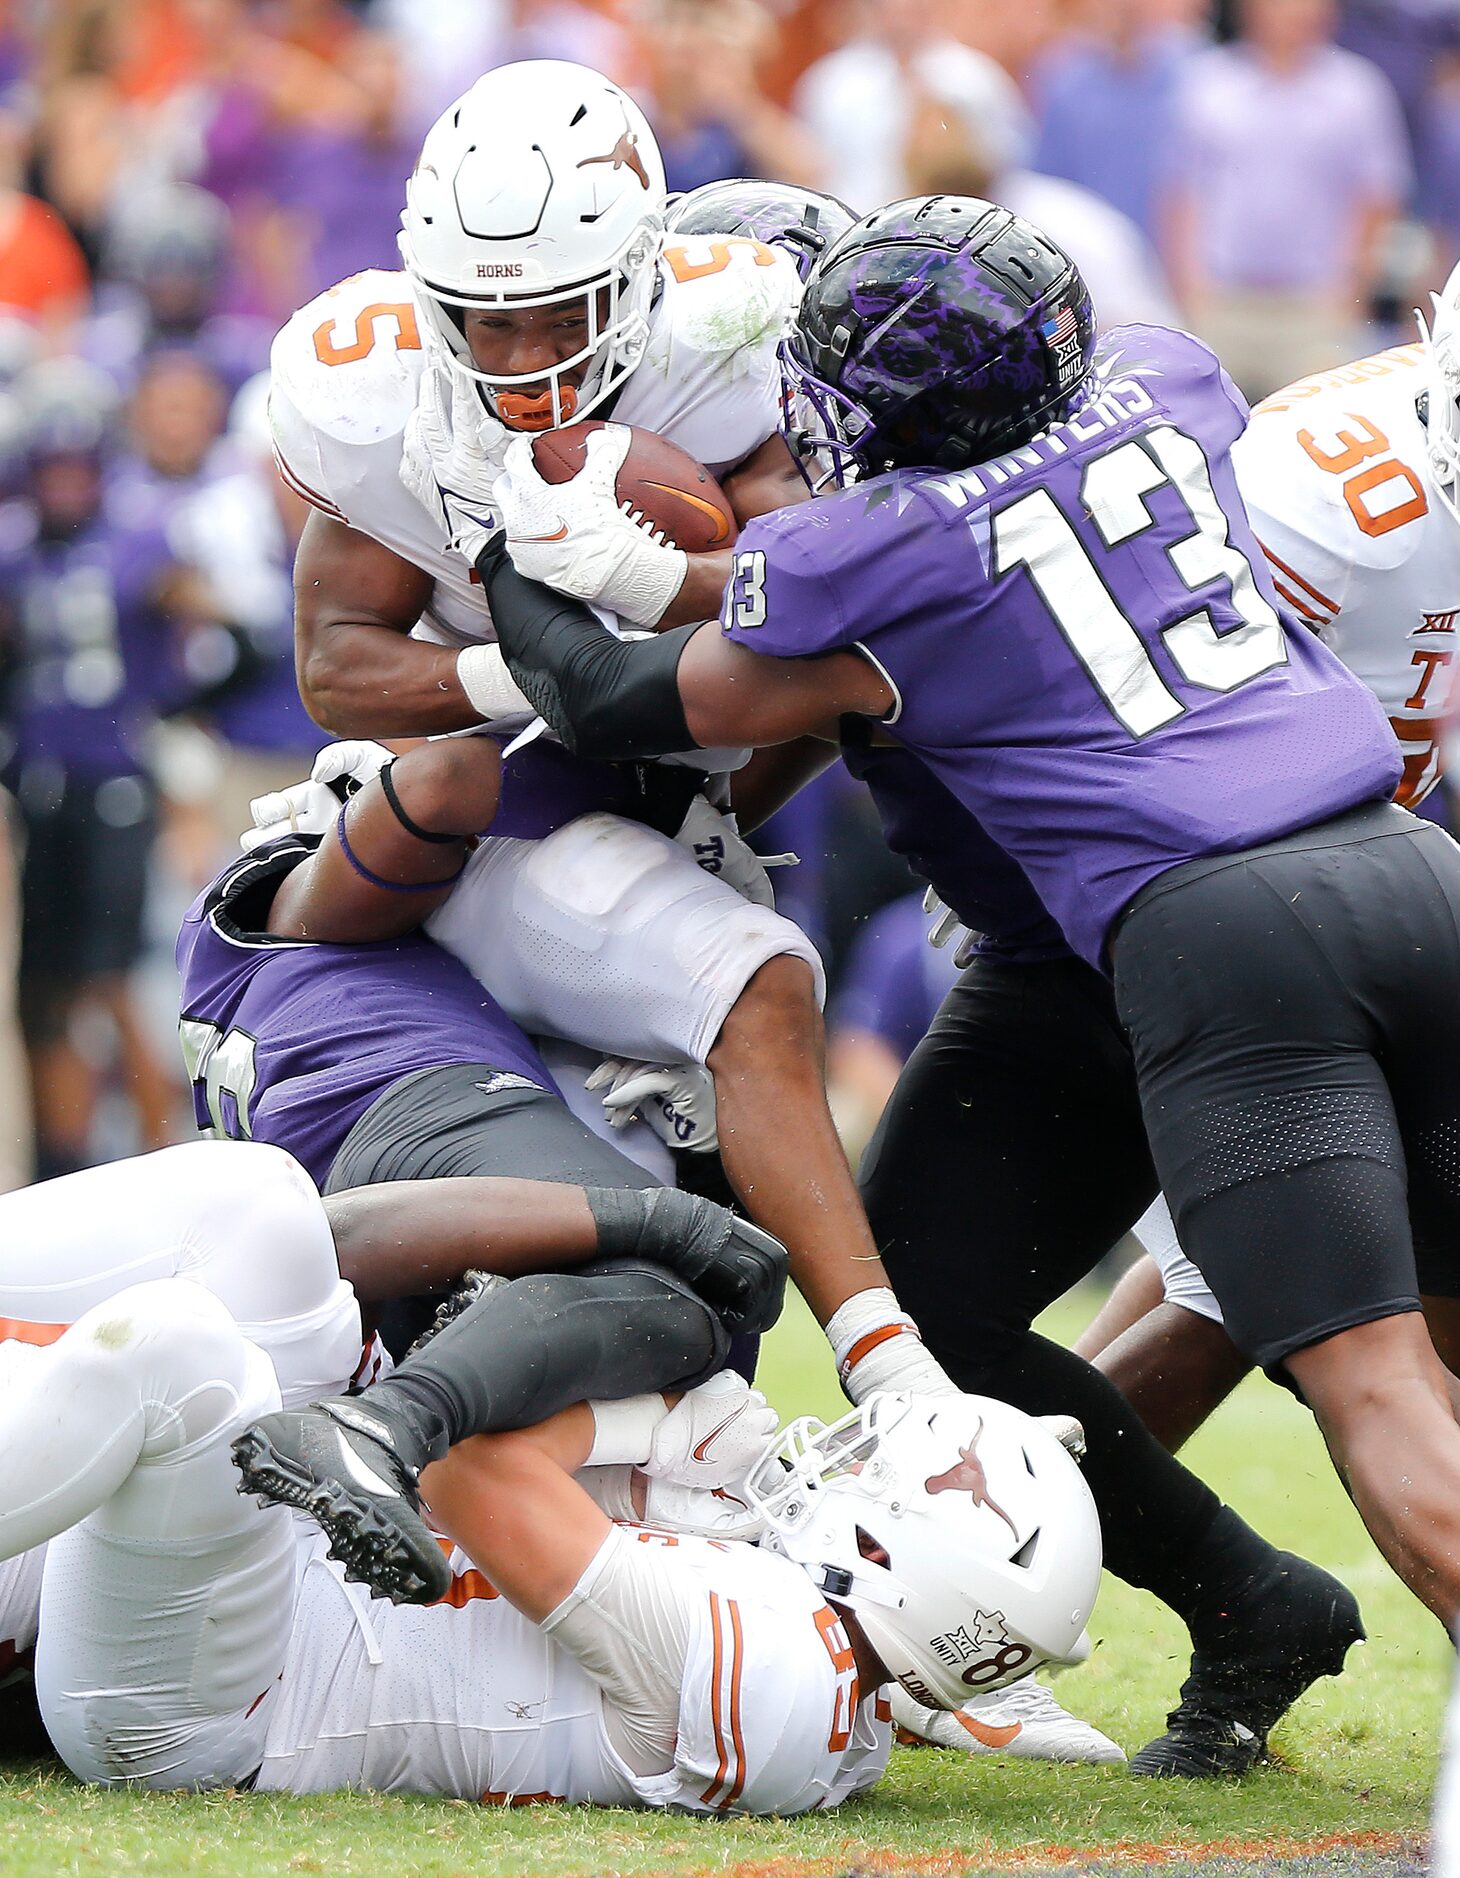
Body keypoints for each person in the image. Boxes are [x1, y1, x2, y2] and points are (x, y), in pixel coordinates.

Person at [478, 195, 1460, 1769]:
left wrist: (511, 534)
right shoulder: (1175, 374)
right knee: (934, 1295)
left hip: (1210, 927)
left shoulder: (879, 548)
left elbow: (611, 692)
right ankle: (1245, 1593)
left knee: (1382, 1389)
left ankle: (1251, 1592)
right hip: (1399, 866)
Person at [268, 61, 957, 1417]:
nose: (519, 359)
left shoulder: (728, 334)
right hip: (503, 810)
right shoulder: (384, 393)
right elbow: (335, 668)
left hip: (687, 811)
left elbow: (808, 599)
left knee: (685, 1266)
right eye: (485, 319)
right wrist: (530, 670)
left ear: (642, 275)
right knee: (739, 1002)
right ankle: (896, 1383)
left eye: (554, 317)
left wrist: (658, 594)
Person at [1067, 256, 1460, 1444]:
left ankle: (954, 1534)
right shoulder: (1323, 498)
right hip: (1216, 877)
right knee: (1298, 1278)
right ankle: (948, 1560)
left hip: (1362, 882)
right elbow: (1135, 688)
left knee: (1224, 1275)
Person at [0, 1131, 787, 1695]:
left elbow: (472, 1477)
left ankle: (383, 1424)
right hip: (147, 1570)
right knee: (239, 1250)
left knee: (192, 1321)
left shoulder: (751, 1633)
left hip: (171, 1624)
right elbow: (333, 1235)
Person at [1159, 0, 1411, 400]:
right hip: (1224, 302)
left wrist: (1352, 291)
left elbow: (1378, 197)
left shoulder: (1357, 90)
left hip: (1314, 306)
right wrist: (1190, 291)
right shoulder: (1207, 82)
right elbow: (1181, 193)